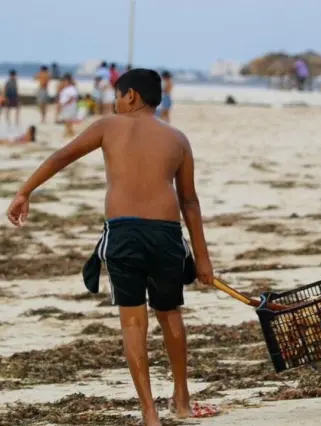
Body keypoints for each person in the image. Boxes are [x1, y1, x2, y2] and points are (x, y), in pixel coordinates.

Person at [6, 68, 214, 426]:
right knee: (170, 314)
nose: (116, 102)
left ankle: (149, 413)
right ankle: (182, 400)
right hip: (166, 234)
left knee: (133, 323)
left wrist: (25, 191)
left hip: (123, 234)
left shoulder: (107, 126)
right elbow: (190, 203)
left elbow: (60, 157)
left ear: (130, 96)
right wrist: (204, 260)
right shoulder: (178, 139)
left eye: (118, 96)